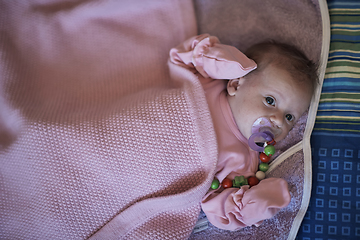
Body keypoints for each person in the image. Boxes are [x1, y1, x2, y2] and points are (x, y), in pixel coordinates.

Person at [169, 34, 317, 231]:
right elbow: (179, 58)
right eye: (270, 101)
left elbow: (219, 209)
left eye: (290, 117)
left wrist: (254, 203)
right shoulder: (208, 82)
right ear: (236, 84)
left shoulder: (244, 162)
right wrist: (215, 60)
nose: (279, 121)